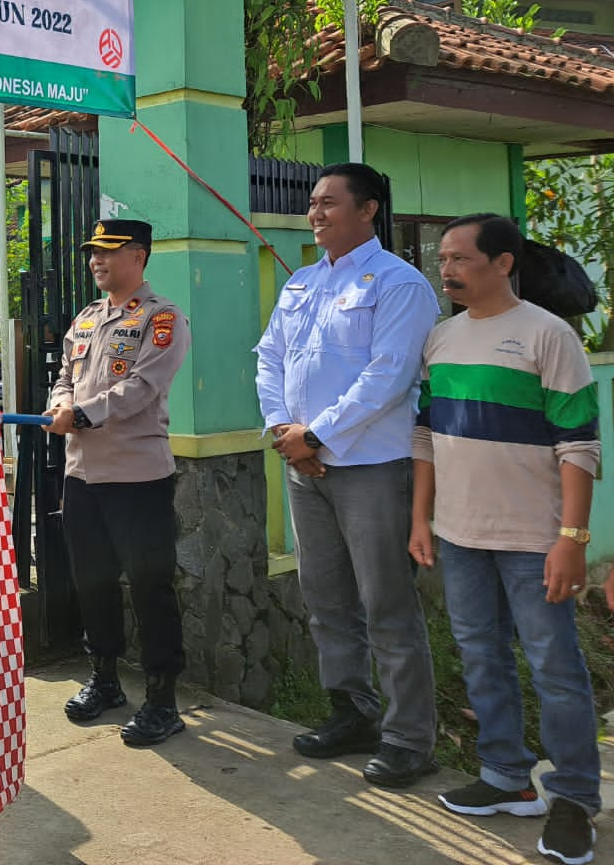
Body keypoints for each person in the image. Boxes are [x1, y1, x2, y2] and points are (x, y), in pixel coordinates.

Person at [410, 214, 600, 864]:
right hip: (460, 535)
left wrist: (571, 539)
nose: (448, 268)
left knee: (554, 666)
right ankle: (505, 777)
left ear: (503, 264)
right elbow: (427, 436)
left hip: (533, 538)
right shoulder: (441, 339)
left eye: (461, 258)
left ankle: (574, 797)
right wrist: (420, 520)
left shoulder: (549, 337)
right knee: (481, 655)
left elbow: (578, 446)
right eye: (443, 258)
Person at [254, 162, 440, 788]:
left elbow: (387, 377)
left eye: (330, 203)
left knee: (386, 603)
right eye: (313, 203)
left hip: (370, 467)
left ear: (369, 210)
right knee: (326, 598)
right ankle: (351, 711)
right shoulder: (304, 281)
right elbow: (270, 358)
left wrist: (318, 433)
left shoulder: (400, 283)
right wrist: (286, 430)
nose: (316, 213)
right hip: (306, 464)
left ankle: (410, 737)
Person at [42, 220, 191, 747]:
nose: (96, 262)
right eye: (93, 254)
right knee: (93, 582)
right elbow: (63, 374)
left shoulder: (162, 318)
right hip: (83, 476)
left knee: (150, 587)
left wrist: (80, 414)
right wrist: (61, 401)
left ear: (138, 256)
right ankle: (104, 680)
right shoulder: (85, 320)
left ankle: (162, 699)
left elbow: (142, 388)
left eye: (108, 253)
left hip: (137, 478)